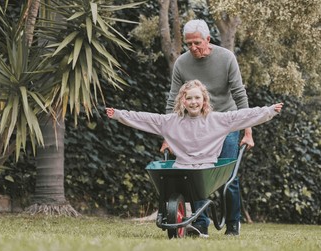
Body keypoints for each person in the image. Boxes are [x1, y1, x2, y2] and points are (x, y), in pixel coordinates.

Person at [106, 80, 283, 236]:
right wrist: (119, 114)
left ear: (204, 100)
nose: (193, 102)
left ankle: (200, 225)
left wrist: (269, 111)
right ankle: (192, 222)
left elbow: (245, 115)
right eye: (189, 98)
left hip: (205, 168)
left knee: (198, 180)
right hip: (181, 167)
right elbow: (145, 119)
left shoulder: (218, 120)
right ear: (182, 100)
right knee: (186, 180)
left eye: (197, 98)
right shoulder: (171, 121)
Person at [161, 19, 253, 237]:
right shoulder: (182, 64)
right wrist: (167, 136)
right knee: (196, 174)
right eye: (189, 44)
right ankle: (201, 224)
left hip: (226, 123)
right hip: (197, 124)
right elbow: (173, 99)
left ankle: (232, 224)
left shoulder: (226, 58)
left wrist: (248, 131)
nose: (193, 48)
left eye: (197, 43)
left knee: (228, 176)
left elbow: (240, 95)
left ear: (208, 39)